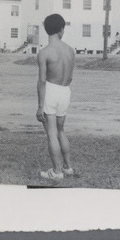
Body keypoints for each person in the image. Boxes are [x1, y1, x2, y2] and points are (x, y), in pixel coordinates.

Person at [36, 14, 75, 180]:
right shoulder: (70, 50)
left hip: (51, 90)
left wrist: (39, 106)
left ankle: (57, 171)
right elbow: (71, 76)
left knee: (51, 133)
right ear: (61, 29)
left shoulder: (44, 52)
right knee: (61, 130)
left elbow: (42, 81)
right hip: (65, 90)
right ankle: (67, 167)